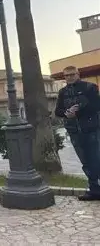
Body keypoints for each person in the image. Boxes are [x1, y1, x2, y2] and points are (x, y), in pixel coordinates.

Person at [54, 66, 100, 201]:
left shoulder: (89, 87)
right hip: (74, 131)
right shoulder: (62, 92)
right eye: (66, 75)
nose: (69, 77)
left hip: (91, 129)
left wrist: (78, 112)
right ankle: (94, 190)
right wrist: (66, 113)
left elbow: (97, 105)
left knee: (96, 159)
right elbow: (57, 111)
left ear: (78, 74)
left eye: (72, 74)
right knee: (85, 161)